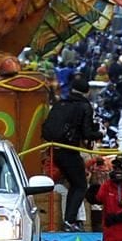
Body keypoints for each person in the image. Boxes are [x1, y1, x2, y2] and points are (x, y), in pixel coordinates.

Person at [44, 77, 100, 231]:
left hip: (56, 150)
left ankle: (69, 220)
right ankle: (70, 221)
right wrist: (99, 134)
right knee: (80, 185)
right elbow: (87, 133)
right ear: (87, 92)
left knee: (74, 184)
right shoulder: (84, 106)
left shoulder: (60, 104)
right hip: (70, 150)